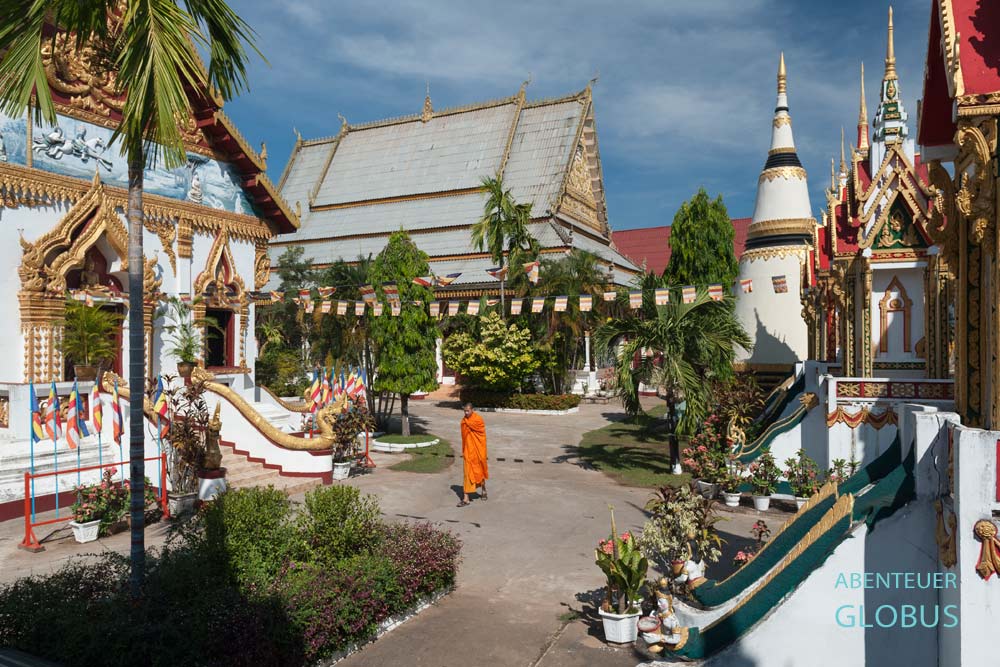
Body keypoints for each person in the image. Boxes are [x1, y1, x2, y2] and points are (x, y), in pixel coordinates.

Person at [458, 402, 488, 507]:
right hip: (468, 451)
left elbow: (481, 434)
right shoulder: (464, 421)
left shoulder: (478, 420)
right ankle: (466, 498)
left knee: (479, 472)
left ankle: (484, 490)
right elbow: (464, 436)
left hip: (478, 451)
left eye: (468, 411)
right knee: (467, 474)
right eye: (464, 411)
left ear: (472, 410)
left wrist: (470, 426)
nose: (466, 413)